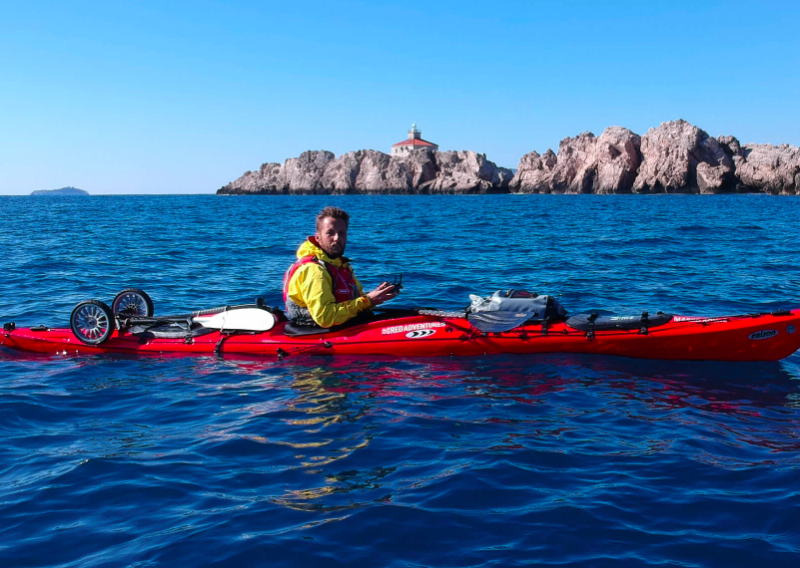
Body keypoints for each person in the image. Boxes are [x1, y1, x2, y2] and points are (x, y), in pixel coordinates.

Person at [283, 206, 399, 328]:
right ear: (318, 238)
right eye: (330, 233)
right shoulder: (313, 270)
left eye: (342, 233)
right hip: (320, 334)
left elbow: (356, 303)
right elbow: (325, 318)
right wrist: (368, 301)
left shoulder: (339, 265)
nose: (337, 238)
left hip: (347, 326)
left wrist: (377, 296)